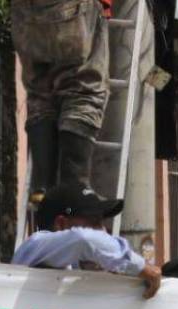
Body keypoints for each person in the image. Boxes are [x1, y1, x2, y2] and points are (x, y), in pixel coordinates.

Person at [10, 0, 112, 206]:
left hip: (24, 9)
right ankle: (74, 188)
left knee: (40, 92)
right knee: (83, 89)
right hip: (74, 8)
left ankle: (42, 187)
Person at [14, 183, 162, 298]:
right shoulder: (35, 246)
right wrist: (139, 266)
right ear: (61, 224)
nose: (103, 232)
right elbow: (83, 240)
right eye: (95, 223)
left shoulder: (75, 267)